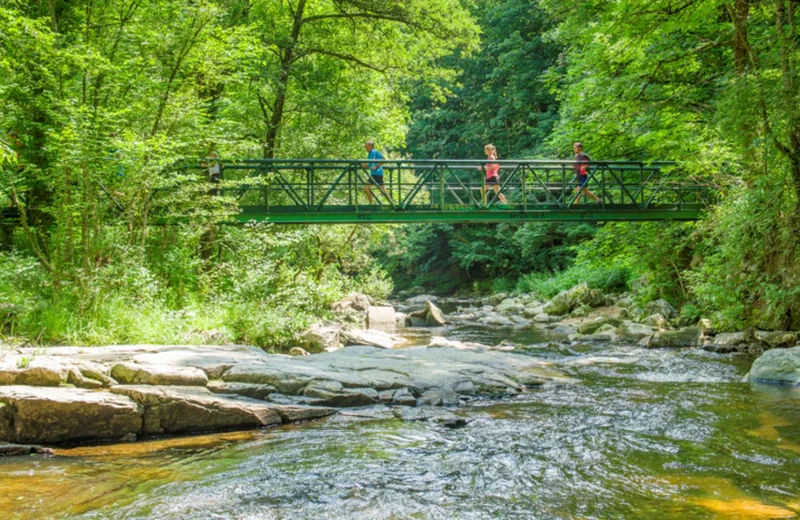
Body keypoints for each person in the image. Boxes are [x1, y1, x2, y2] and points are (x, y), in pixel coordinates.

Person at [362, 140, 391, 204]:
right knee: (383, 190)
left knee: (366, 189)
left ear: (370, 146)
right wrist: (366, 165)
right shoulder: (370, 154)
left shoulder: (375, 152)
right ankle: (392, 203)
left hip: (376, 174)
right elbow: (372, 165)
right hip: (375, 174)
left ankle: (371, 205)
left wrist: (377, 166)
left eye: (366, 146)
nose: (365, 148)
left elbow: (384, 160)